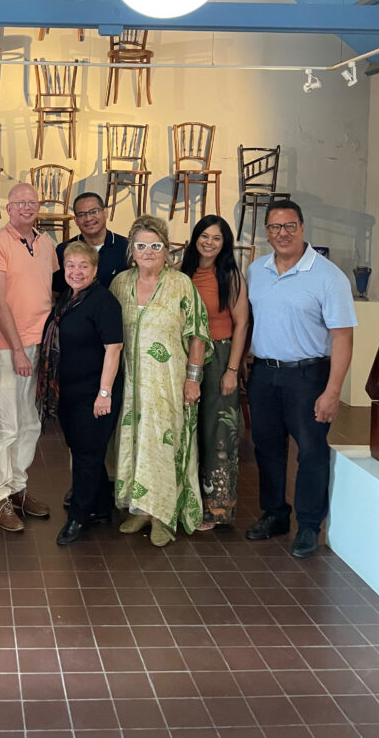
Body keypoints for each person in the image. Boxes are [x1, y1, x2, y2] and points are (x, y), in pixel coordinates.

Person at [245, 199, 355, 558]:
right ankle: (275, 514)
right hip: (264, 373)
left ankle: (308, 525)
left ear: (302, 227)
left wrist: (332, 391)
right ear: (267, 232)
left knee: (310, 451)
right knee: (267, 447)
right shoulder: (257, 270)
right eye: (275, 227)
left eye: (289, 226)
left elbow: (343, 337)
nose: (283, 233)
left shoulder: (328, 277)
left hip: (307, 376)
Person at [111, 214, 212, 547]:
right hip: (130, 384)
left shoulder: (181, 284)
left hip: (168, 382)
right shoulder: (120, 283)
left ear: (166, 249)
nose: (148, 252)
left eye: (156, 246)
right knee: (135, 443)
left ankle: (163, 515)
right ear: (132, 249)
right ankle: (140, 509)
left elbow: (198, 334)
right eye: (141, 246)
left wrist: (193, 379)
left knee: (163, 444)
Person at [0, 182, 58, 531]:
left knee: (30, 423)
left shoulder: (47, 244)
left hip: (41, 345)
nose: (27, 207)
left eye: (32, 202)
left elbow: (46, 293)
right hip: (10, 347)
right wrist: (16, 349)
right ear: (8, 208)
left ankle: (16, 488)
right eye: (20, 202)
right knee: (7, 425)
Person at [37, 242, 123, 546]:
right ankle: (101, 507)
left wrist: (104, 393)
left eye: (83, 266)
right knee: (82, 448)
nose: (76, 272)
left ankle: (78, 516)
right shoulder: (68, 299)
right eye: (71, 265)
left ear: (95, 269)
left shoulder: (104, 302)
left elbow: (113, 348)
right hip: (69, 390)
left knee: (87, 453)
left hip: (94, 392)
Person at [180, 216, 249, 529]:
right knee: (188, 429)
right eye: (204, 236)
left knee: (217, 432)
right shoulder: (182, 272)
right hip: (185, 357)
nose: (209, 242)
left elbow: (241, 324)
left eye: (216, 238)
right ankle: (188, 499)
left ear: (225, 244)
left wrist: (232, 369)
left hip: (219, 356)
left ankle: (216, 508)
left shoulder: (230, 275)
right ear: (195, 238)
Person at [52, 192, 129, 293]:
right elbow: (56, 292)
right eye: (82, 214)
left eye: (94, 211)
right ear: (76, 220)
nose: (88, 218)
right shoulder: (64, 250)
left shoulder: (126, 247)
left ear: (105, 213)